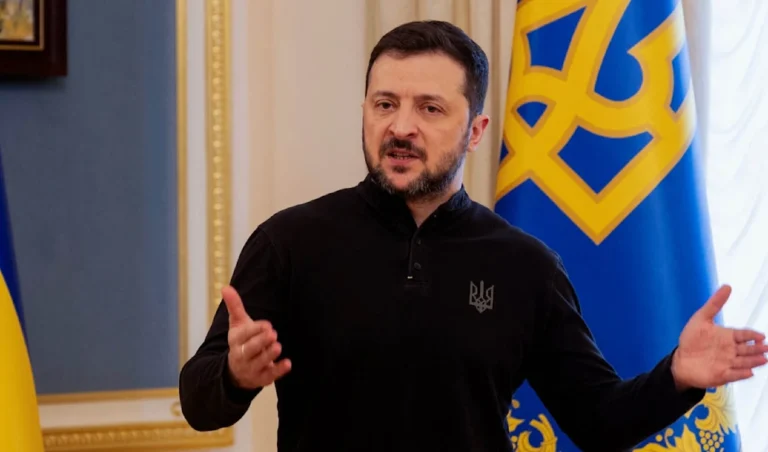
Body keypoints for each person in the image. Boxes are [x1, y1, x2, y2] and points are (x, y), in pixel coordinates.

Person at [178, 20, 768, 452]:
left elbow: (598, 420)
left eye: (430, 109)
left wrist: (676, 376)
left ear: (477, 129)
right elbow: (199, 403)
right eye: (385, 104)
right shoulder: (288, 243)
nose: (401, 126)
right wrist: (233, 376)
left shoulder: (525, 266)